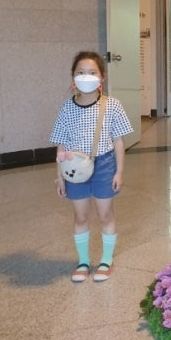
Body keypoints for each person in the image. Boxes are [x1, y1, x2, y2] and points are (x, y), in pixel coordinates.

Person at [51, 51, 133, 283]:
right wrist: (60, 176)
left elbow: (119, 141)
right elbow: (61, 144)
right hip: (75, 167)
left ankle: (106, 260)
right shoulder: (67, 108)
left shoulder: (113, 106)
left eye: (92, 72)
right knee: (80, 215)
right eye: (81, 72)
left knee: (105, 213)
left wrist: (119, 171)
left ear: (102, 77)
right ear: (73, 77)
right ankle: (83, 261)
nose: (86, 76)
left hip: (105, 164)